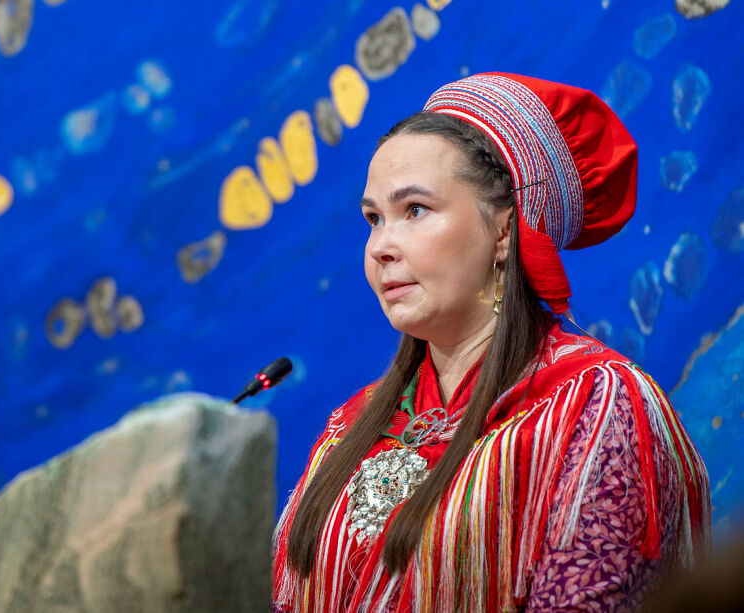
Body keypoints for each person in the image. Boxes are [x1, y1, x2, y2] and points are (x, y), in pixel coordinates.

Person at [271, 73, 710, 612]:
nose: (381, 246)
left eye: (415, 211)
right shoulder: (354, 422)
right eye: (373, 219)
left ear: (505, 230)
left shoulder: (592, 405)